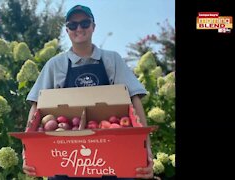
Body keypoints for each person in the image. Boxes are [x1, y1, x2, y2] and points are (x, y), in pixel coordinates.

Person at [22, 4, 154, 180]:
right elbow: (37, 107)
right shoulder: (55, 65)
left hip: (112, 155)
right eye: (73, 25)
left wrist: (146, 151)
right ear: (67, 30)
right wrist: (27, 153)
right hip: (66, 158)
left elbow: (134, 100)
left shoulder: (111, 59)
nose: (79, 29)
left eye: (85, 23)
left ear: (93, 26)